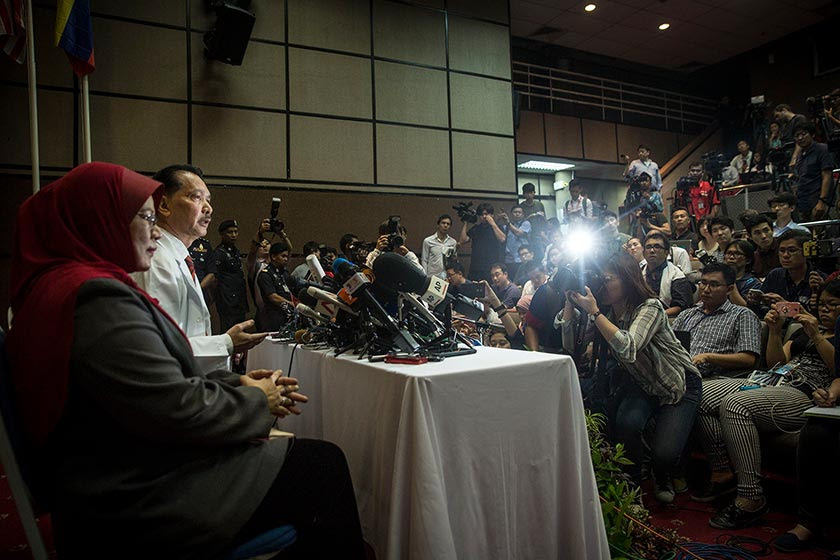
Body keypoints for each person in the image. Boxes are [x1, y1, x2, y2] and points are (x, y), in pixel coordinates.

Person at [5, 162, 366, 560]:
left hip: (115, 469)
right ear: (100, 219)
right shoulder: (97, 298)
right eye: (145, 218)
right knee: (322, 466)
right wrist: (257, 400)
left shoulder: (58, 287)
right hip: (138, 495)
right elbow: (174, 407)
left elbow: (149, 380)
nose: (155, 231)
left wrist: (236, 384)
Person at [692, 280, 840, 530]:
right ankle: (722, 470)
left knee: (735, 405)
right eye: (822, 304)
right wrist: (775, 330)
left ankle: (751, 497)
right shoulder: (802, 331)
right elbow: (775, 364)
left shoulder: (826, 334)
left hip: (804, 391)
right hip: (770, 380)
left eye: (833, 305)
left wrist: (816, 335)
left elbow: (838, 370)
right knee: (698, 394)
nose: (825, 309)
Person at [559, 252, 702, 503]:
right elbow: (571, 346)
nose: (601, 285)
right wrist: (570, 304)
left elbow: (629, 347)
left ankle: (662, 471)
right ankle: (631, 489)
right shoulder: (606, 311)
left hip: (677, 384)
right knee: (627, 425)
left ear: (627, 279)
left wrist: (595, 313)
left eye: (606, 279)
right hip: (643, 383)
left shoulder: (650, 307)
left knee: (664, 454)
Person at [131, 164, 265, 373]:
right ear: (164, 205)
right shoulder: (156, 259)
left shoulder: (180, 256)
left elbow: (184, 337)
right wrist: (225, 343)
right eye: (196, 197)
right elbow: (158, 348)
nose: (208, 208)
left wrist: (221, 346)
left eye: (208, 200)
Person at [672, 263, 762, 378]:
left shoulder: (742, 315)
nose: (706, 289)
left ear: (729, 289)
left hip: (713, 377)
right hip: (677, 372)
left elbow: (748, 359)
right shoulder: (686, 314)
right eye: (703, 283)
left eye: (714, 285)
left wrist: (709, 357)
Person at [756, 230, 823, 313]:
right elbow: (761, 308)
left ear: (806, 252)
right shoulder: (775, 275)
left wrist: (784, 305)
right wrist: (753, 302)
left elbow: (815, 317)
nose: (785, 255)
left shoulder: (818, 280)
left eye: (792, 250)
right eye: (782, 250)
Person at [208, 219, 250, 332]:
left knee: (241, 330)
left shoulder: (235, 251)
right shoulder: (219, 253)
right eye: (230, 232)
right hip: (227, 300)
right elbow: (214, 279)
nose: (233, 235)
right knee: (229, 331)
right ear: (222, 234)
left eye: (236, 232)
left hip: (239, 299)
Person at [640, 232, 693, 317]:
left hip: (667, 317)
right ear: (643, 253)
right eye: (648, 247)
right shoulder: (639, 273)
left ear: (666, 253)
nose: (652, 251)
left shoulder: (677, 275)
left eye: (657, 247)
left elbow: (682, 306)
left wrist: (657, 316)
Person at [791, 122, 835, 221]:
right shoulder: (800, 154)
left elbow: (827, 176)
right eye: (797, 136)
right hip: (803, 200)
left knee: (820, 228)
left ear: (812, 134)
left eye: (803, 134)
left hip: (817, 199)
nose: (800, 138)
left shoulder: (822, 149)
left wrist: (822, 201)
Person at [458, 203, 506, 281]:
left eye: (486, 214)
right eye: (481, 214)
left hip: (491, 267)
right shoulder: (476, 228)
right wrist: (466, 223)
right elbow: (462, 240)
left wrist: (493, 223)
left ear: (492, 215)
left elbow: (502, 239)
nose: (484, 216)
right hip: (476, 267)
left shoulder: (497, 227)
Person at [256, 242, 294, 332]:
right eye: (283, 256)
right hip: (273, 317)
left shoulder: (285, 273)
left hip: (288, 315)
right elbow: (273, 297)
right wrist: (292, 304)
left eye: (286, 256)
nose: (286, 259)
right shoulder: (265, 274)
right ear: (273, 257)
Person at [724, 240, 762, 308]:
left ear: (748, 260)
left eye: (737, 254)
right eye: (728, 253)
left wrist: (731, 278)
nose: (731, 257)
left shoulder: (753, 283)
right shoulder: (718, 277)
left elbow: (744, 308)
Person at [498, 205, 531, 279]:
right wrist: (499, 219)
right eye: (515, 212)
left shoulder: (526, 223)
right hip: (509, 260)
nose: (517, 214)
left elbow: (518, 233)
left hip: (522, 259)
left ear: (523, 214)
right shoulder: (506, 226)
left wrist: (508, 223)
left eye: (519, 212)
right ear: (511, 214)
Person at [421, 214, 458, 279]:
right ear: (438, 225)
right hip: (432, 276)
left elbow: (454, 261)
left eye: (448, 224)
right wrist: (425, 276)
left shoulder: (453, 242)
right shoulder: (428, 241)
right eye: (443, 223)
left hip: (448, 277)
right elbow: (424, 260)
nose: (445, 225)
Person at [745, 215, 779, 279]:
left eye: (766, 230)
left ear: (772, 230)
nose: (763, 236)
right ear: (750, 236)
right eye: (757, 233)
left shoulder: (784, 248)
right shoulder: (753, 257)